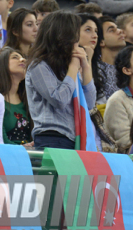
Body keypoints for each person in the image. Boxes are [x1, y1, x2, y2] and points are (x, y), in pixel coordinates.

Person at [25, 11, 95, 149]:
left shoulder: (67, 69)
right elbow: (59, 100)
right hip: (51, 138)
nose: (77, 41)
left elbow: (89, 103)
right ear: (63, 37)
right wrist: (74, 67)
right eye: (74, 36)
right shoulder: (39, 66)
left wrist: (85, 66)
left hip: (73, 139)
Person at [0, 46, 33, 145]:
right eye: (15, 57)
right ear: (2, 64)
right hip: (6, 155)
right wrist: (21, 149)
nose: (23, 60)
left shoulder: (28, 100)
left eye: (23, 58)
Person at [97, 15, 126, 104]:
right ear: (102, 42)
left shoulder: (126, 67)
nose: (120, 31)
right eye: (112, 30)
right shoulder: (96, 70)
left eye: (117, 28)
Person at [77, 13, 104, 105]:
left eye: (96, 31)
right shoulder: (66, 62)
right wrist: (87, 61)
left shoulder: (97, 62)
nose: (95, 36)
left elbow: (91, 101)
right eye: (88, 30)